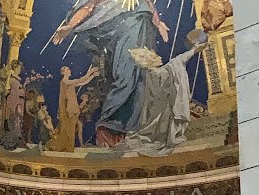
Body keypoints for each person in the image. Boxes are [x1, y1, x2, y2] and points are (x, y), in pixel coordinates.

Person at [50, 0, 171, 147]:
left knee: (143, 81)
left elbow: (148, 4)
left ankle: (134, 130)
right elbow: (90, 5)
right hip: (127, 33)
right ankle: (110, 128)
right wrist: (70, 25)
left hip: (144, 30)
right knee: (127, 76)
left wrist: (158, 24)